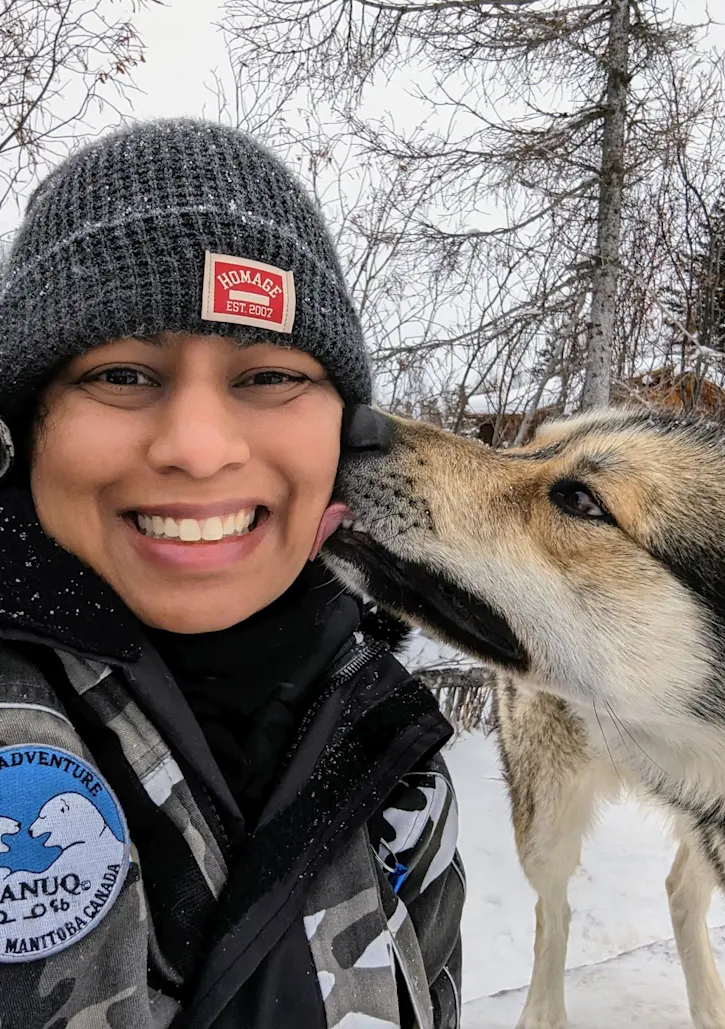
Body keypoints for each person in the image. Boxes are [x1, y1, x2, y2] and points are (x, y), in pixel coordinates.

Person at [0, 118, 463, 1028]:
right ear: (25, 425)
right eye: (124, 373)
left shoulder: (395, 750)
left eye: (267, 375)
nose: (200, 449)